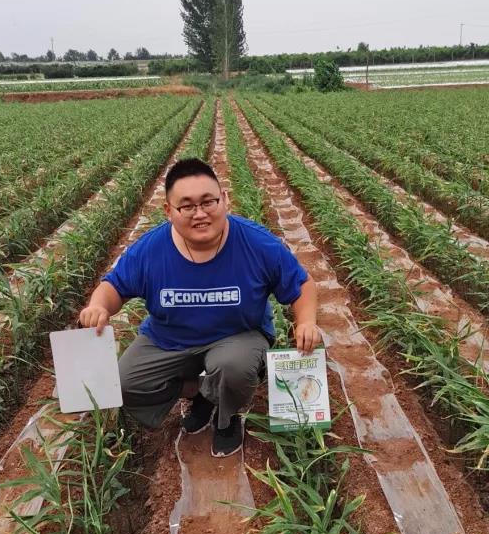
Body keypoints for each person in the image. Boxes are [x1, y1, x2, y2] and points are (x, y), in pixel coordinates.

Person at [78, 157, 321, 457]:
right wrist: (98, 306)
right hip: (169, 339)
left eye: (208, 202)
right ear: (168, 211)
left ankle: (227, 417)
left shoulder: (256, 243)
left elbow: (302, 284)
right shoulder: (150, 249)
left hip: (237, 335)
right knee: (125, 383)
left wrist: (306, 321)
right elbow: (113, 286)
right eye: (187, 206)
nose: (200, 213)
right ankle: (202, 392)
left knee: (233, 367)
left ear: (225, 200)